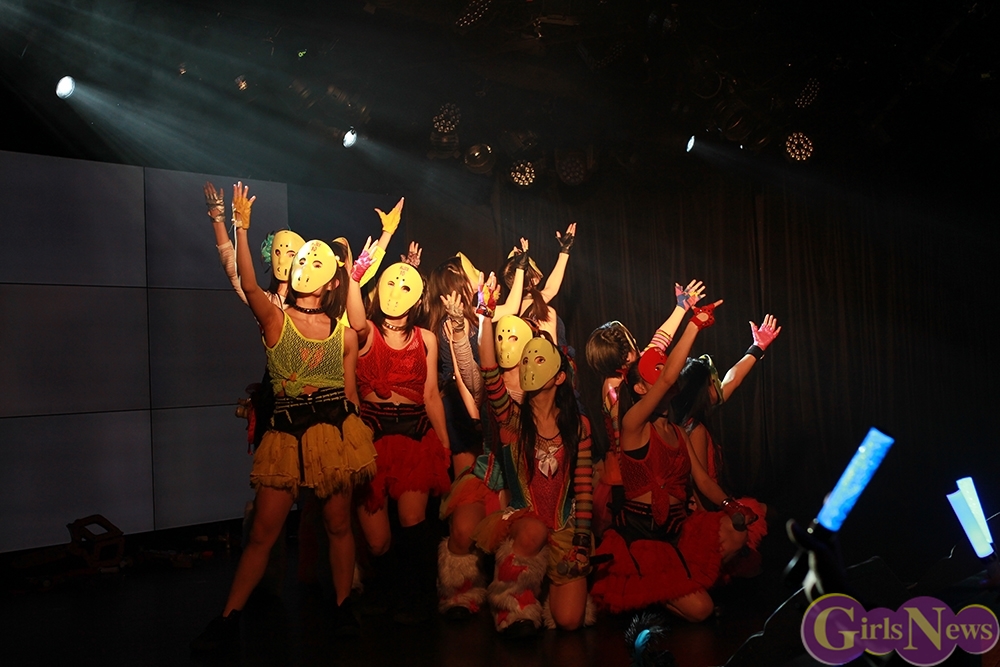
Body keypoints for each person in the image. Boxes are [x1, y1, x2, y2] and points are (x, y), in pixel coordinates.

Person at [192, 183, 376, 653]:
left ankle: (343, 608)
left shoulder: (344, 335)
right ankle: (228, 618)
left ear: (332, 281)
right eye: (301, 261)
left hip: (333, 431)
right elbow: (249, 284)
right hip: (288, 433)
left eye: (317, 263)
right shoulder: (276, 319)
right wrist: (240, 226)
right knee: (263, 533)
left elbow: (350, 392)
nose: (305, 268)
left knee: (338, 526)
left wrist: (356, 437)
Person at [591, 301, 757, 622]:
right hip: (643, 537)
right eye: (654, 377)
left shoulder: (679, 432)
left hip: (677, 531)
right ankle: (649, 588)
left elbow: (703, 480)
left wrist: (731, 505)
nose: (665, 380)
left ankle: (676, 583)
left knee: (737, 533)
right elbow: (666, 378)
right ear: (639, 388)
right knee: (702, 611)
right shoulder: (633, 424)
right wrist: (694, 323)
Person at [473, 275, 595, 636]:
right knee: (534, 530)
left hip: (564, 526)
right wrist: (485, 316)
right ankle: (513, 605)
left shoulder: (578, 426)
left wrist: (581, 542)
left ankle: (546, 590)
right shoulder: (512, 420)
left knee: (569, 621)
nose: (529, 364)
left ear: (559, 377)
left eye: (539, 359)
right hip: (525, 522)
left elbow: (584, 490)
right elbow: (490, 371)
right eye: (526, 358)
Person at [354, 259, 452, 624]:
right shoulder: (364, 332)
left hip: (414, 434)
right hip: (372, 435)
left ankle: (417, 597)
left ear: (419, 299)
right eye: (391, 285)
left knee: (413, 521)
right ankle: (385, 591)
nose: (396, 293)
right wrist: (357, 272)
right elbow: (355, 318)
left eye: (406, 287)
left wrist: (445, 447)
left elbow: (431, 395)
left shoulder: (427, 339)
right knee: (378, 541)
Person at [584, 280, 706, 536]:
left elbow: (659, 341)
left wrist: (681, 308)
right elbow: (624, 441)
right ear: (624, 357)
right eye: (633, 347)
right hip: (629, 478)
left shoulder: (627, 373)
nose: (639, 348)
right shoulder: (615, 389)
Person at [670, 315, 781, 576]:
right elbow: (700, 484)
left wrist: (757, 348)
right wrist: (724, 512)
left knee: (770, 515)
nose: (718, 384)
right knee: (765, 518)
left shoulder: (696, 415)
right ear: (701, 390)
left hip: (713, 504)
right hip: (703, 511)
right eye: (712, 382)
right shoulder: (694, 430)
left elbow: (733, 378)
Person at [424, 242, 526, 477]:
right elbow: (459, 374)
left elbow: (511, 307)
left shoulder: (471, 314)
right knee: (467, 477)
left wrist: (520, 269)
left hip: (478, 397)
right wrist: (474, 416)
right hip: (460, 404)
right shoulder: (452, 323)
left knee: (484, 472)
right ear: (455, 283)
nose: (473, 276)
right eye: (466, 273)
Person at [501, 223, 576, 345]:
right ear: (534, 280)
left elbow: (551, 288)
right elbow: (549, 355)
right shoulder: (544, 314)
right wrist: (564, 251)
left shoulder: (508, 313)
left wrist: (564, 252)